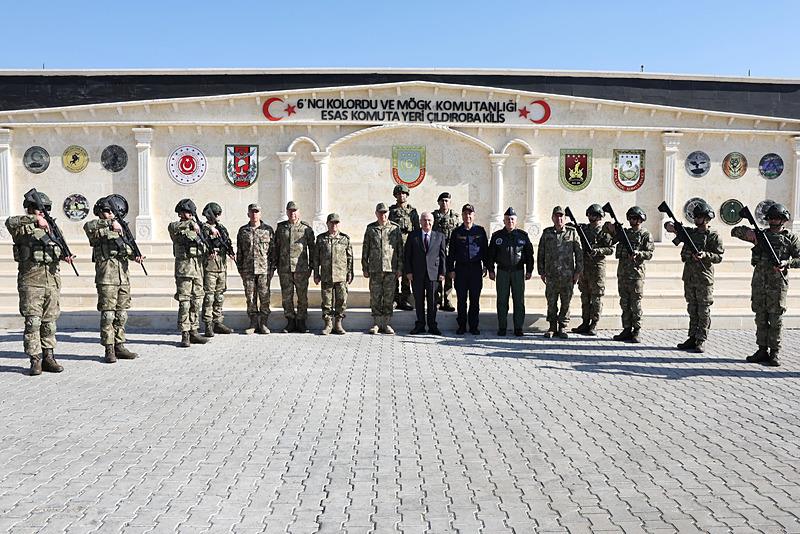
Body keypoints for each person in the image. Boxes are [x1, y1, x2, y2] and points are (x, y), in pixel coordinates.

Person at [5, 191, 72, 375]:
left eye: (46, 209)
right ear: (30, 209)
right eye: (39, 209)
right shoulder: (22, 228)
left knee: (49, 323)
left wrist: (65, 256)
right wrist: (34, 220)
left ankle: (49, 357)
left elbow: (61, 248)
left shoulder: (53, 229)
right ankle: (35, 360)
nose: (43, 213)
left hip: (51, 281)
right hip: (31, 282)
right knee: (33, 322)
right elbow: (9, 222)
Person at [732, 203, 800, 366]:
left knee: (775, 319)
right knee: (760, 318)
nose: (774, 221)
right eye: (771, 217)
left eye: (777, 218)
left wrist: (787, 263)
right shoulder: (760, 235)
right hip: (760, 283)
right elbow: (735, 232)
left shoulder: (791, 238)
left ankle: (775, 352)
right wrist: (749, 234)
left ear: (783, 219)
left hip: (777, 285)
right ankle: (762, 350)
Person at [83, 195, 141, 363]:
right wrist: (110, 224)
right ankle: (109, 349)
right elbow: (88, 227)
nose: (110, 215)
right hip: (106, 276)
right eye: (107, 212)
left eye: (111, 213)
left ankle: (119, 345)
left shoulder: (121, 228)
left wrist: (134, 255)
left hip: (123, 277)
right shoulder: (96, 227)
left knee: (121, 314)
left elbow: (129, 250)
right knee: (108, 314)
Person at [665, 201, 725, 353]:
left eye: (700, 217)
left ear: (707, 218)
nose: (697, 219)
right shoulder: (690, 233)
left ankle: (701, 339)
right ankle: (692, 337)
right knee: (692, 308)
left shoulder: (713, 236)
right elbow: (667, 226)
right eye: (696, 216)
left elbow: (719, 257)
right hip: (690, 277)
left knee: (703, 310)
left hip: (704, 278)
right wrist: (673, 228)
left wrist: (705, 255)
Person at [605, 206, 654, 344]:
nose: (633, 220)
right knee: (624, 303)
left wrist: (639, 254)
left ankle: (636, 330)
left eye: (636, 218)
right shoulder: (624, 233)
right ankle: (627, 329)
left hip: (636, 274)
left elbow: (649, 253)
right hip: (623, 273)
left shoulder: (645, 234)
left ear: (641, 219)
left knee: (635, 304)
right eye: (631, 218)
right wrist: (611, 229)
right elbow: (610, 240)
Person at [487, 207, 534, 336]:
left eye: (512, 219)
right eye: (507, 219)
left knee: (519, 301)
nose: (510, 221)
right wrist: (491, 270)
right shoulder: (497, 236)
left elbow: (529, 254)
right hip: (502, 272)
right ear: (504, 220)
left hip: (518, 272)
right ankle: (502, 327)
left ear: (516, 221)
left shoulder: (523, 236)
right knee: (502, 301)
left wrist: (529, 270)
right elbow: (490, 255)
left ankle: (518, 327)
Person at [168, 199, 209, 347]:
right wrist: (191, 225)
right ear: (180, 213)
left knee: (196, 301)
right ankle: (185, 334)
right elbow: (177, 229)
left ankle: (194, 331)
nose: (189, 215)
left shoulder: (198, 228)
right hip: (184, 270)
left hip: (197, 269)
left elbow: (204, 246)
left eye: (191, 213)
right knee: (184, 302)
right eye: (186, 212)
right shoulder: (175, 226)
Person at [537, 206, 583, 338]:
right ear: (552, 218)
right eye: (556, 216)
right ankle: (552, 326)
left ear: (565, 218)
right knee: (551, 301)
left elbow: (579, 254)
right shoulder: (547, 233)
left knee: (566, 302)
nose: (559, 218)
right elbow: (541, 252)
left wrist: (577, 272)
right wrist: (541, 271)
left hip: (567, 276)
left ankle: (563, 327)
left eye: (561, 216)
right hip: (551, 275)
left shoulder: (572, 232)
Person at [572, 204, 614, 336]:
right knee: (585, 296)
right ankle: (585, 322)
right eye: (590, 214)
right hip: (584, 267)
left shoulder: (603, 232)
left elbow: (610, 249)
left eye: (594, 215)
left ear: (600, 216)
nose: (592, 217)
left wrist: (597, 251)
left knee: (596, 298)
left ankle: (594, 324)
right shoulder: (583, 229)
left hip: (597, 269)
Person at [274, 201, 316, 333]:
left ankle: (302, 321)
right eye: (290, 211)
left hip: (301, 269)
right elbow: (276, 248)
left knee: (302, 296)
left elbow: (312, 249)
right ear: (286, 212)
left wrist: (313, 267)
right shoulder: (281, 228)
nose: (292, 213)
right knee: (287, 296)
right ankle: (290, 321)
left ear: (299, 212)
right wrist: (275, 266)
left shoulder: (306, 229)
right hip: (285, 268)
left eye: (295, 211)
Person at [447, 203, 488, 335]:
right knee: (461, 299)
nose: (467, 216)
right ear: (462, 215)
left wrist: (486, 266)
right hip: (461, 269)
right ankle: (462, 326)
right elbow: (451, 252)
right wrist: (451, 269)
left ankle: (474, 326)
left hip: (476, 269)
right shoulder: (456, 232)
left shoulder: (480, 231)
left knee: (475, 300)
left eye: (470, 214)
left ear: (473, 215)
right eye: (465, 214)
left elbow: (485, 251)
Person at [362, 203, 403, 334]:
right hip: (374, 268)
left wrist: (400, 268)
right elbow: (365, 249)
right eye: (380, 212)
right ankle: (376, 323)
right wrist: (365, 267)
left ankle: (386, 323)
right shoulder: (370, 229)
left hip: (390, 268)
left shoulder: (395, 229)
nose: (383, 215)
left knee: (389, 297)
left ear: (388, 214)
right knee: (375, 296)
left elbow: (400, 250)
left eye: (385, 212)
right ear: (376, 214)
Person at [404, 212, 447, 335]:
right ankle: (420, 325)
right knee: (419, 300)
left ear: (433, 222)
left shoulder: (439, 236)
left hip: (433, 274)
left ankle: (432, 325)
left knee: (432, 301)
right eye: (424, 220)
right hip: (417, 274)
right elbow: (408, 255)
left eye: (429, 220)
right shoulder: (413, 236)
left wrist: (442, 272)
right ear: (420, 222)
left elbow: (443, 256)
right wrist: (409, 272)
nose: (427, 223)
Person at [236, 203, 275, 335]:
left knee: (264, 297)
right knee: (250, 297)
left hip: (264, 270)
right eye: (252, 212)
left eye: (257, 212)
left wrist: (271, 269)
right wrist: (241, 270)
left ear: (260, 214)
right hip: (248, 270)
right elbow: (239, 252)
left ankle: (263, 323)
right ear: (248, 214)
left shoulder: (268, 230)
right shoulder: (243, 231)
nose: (254, 214)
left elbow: (273, 252)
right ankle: (253, 323)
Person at [312, 213, 354, 335]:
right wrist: (316, 273)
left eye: (336, 223)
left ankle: (338, 324)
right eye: (331, 223)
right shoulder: (321, 239)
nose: (334, 225)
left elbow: (349, 257)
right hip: (326, 276)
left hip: (341, 276)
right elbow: (316, 259)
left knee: (341, 301)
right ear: (327, 224)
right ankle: (328, 325)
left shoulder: (344, 239)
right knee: (326, 302)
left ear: (339, 224)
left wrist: (350, 273)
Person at [200, 202, 234, 338]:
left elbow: (227, 243)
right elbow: (201, 245)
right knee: (209, 297)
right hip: (209, 268)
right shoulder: (203, 229)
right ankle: (208, 324)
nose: (219, 216)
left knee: (219, 296)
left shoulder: (222, 228)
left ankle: (217, 322)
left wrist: (230, 251)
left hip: (221, 267)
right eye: (217, 214)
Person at [389, 184, 420, 310]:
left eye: (403, 194)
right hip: (394, 245)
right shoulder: (391, 211)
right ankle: (395, 298)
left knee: (407, 272)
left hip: (408, 245)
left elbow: (417, 229)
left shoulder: (412, 211)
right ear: (396, 195)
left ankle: (405, 298)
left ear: (407, 195)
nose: (401, 196)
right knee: (395, 272)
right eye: (399, 194)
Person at [432, 192, 460, 311]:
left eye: (447, 201)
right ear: (438, 202)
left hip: (450, 251)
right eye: (442, 201)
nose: (444, 203)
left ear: (450, 202)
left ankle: (447, 301)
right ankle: (437, 301)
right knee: (438, 275)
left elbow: (458, 233)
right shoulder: (434, 216)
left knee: (449, 276)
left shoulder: (455, 217)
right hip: (437, 251)